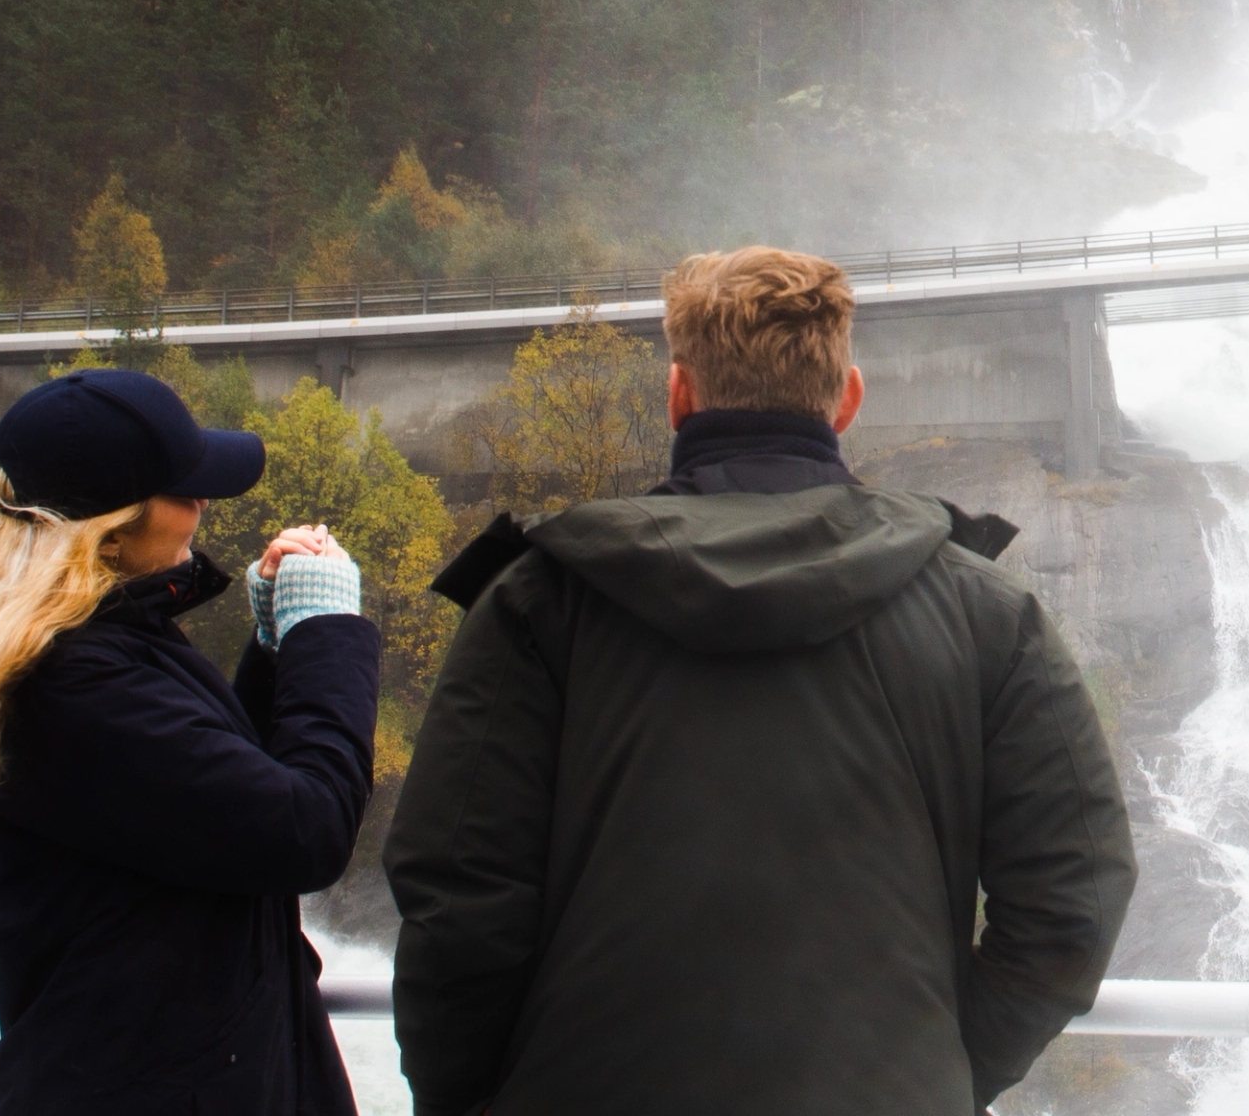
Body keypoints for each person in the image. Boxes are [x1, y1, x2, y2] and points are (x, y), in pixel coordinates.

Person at [387, 248, 1136, 1116]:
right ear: (847, 398)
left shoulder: (540, 604)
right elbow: (1072, 899)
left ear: (679, 394)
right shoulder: (989, 615)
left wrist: (472, 1096)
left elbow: (456, 901)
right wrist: (939, 1070)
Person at [0, 366, 381, 1116]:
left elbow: (202, 804)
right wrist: (325, 633)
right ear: (111, 523)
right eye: (184, 488)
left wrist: (273, 649)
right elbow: (301, 830)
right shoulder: (74, 688)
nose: (203, 502)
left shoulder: (89, 647)